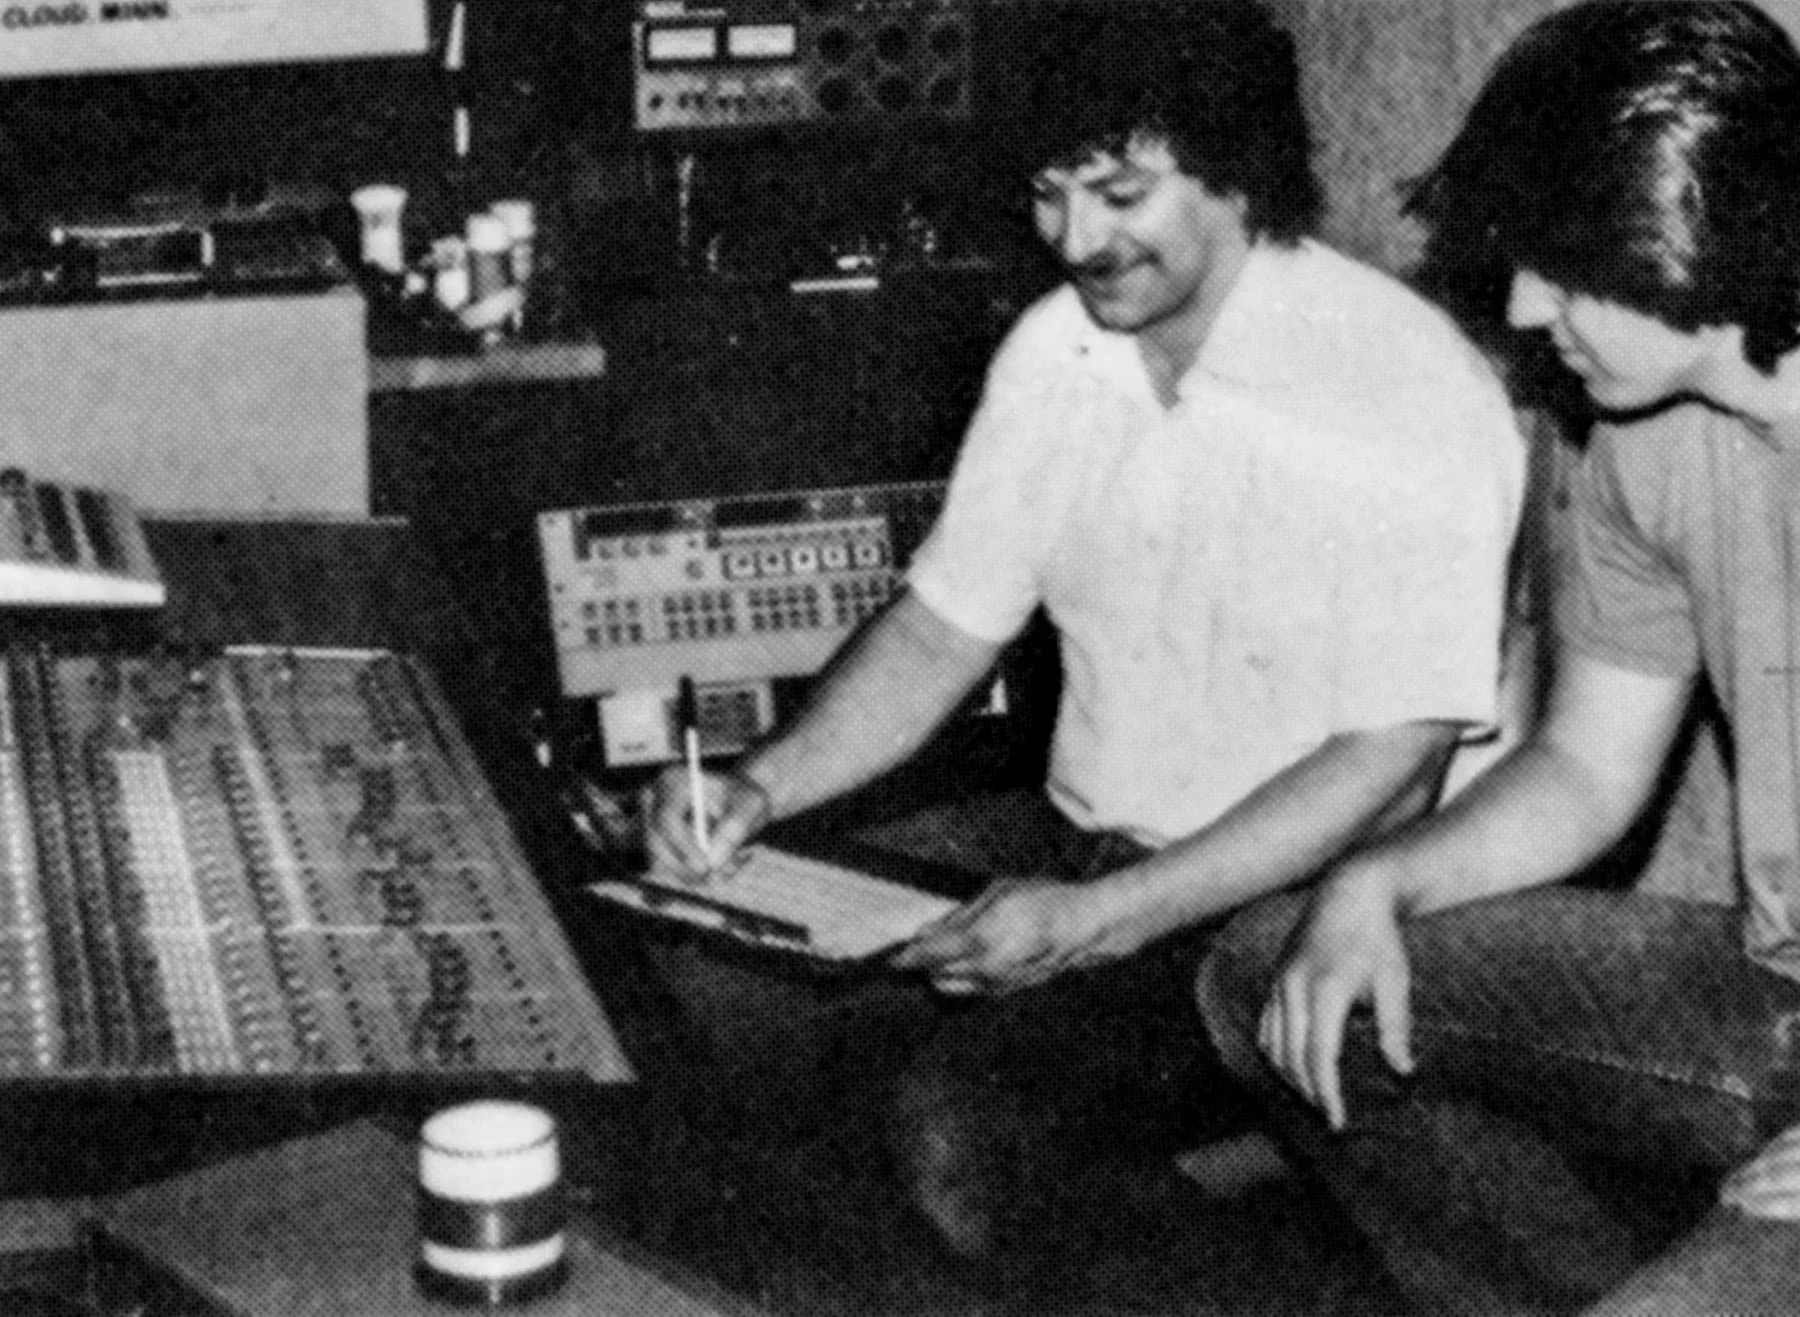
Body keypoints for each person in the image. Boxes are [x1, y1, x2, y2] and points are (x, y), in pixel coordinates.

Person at [638, 0, 1523, 1275]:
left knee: (965, 1129)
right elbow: (939, 632)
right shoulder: (1056, 352)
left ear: (1237, 174)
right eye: (1048, 195)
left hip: (1282, 908)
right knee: (698, 983)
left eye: (1118, 193)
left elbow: (1392, 756)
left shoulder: (1399, 382)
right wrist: (758, 788)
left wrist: (1104, 918)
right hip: (1077, 850)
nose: (1075, 239)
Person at [1198, 3, 1800, 1314]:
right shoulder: (1643, 441)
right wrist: (1379, 877)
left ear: (1687, 230)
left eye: (1563, 270)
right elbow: (1585, 767)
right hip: (1777, 987)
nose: (1525, 307)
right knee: (1275, 972)